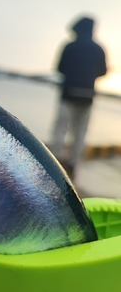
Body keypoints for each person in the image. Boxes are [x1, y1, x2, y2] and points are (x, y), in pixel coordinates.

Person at [50, 16, 107, 179]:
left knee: (60, 128)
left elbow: (60, 68)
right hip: (87, 97)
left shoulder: (69, 46)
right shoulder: (99, 49)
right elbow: (103, 72)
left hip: (68, 95)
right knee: (80, 132)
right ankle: (73, 164)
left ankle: (54, 163)